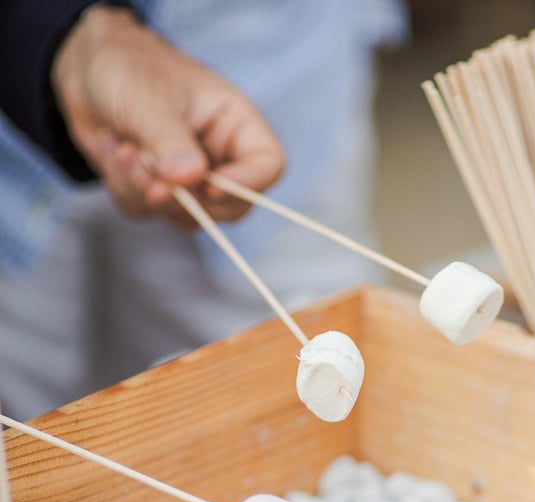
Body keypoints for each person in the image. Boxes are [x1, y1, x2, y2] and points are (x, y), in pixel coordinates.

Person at [0, 1, 407, 420]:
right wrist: (51, 29)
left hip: (275, 74)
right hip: (11, 162)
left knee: (304, 406)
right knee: (36, 433)